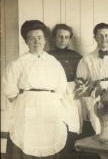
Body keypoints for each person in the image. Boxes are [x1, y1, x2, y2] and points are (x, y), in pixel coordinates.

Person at [2, 20, 68, 159]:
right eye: (31, 39)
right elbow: (9, 89)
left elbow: (61, 87)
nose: (36, 42)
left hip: (49, 108)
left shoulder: (54, 62)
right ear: (26, 41)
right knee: (27, 139)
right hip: (26, 108)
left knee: (49, 139)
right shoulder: (18, 63)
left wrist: (50, 101)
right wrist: (25, 101)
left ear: (45, 40)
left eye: (39, 38)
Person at [76, 23, 108, 135]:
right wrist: (85, 107)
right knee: (100, 130)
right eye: (100, 35)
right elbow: (81, 86)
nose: (104, 38)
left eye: (107, 35)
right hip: (97, 97)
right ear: (95, 37)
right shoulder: (86, 60)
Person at [48, 24, 82, 156]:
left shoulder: (76, 56)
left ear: (69, 39)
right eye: (60, 37)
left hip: (71, 93)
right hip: (54, 93)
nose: (63, 40)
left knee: (72, 123)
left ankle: (70, 152)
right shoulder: (47, 56)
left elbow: (81, 77)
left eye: (66, 37)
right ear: (54, 38)